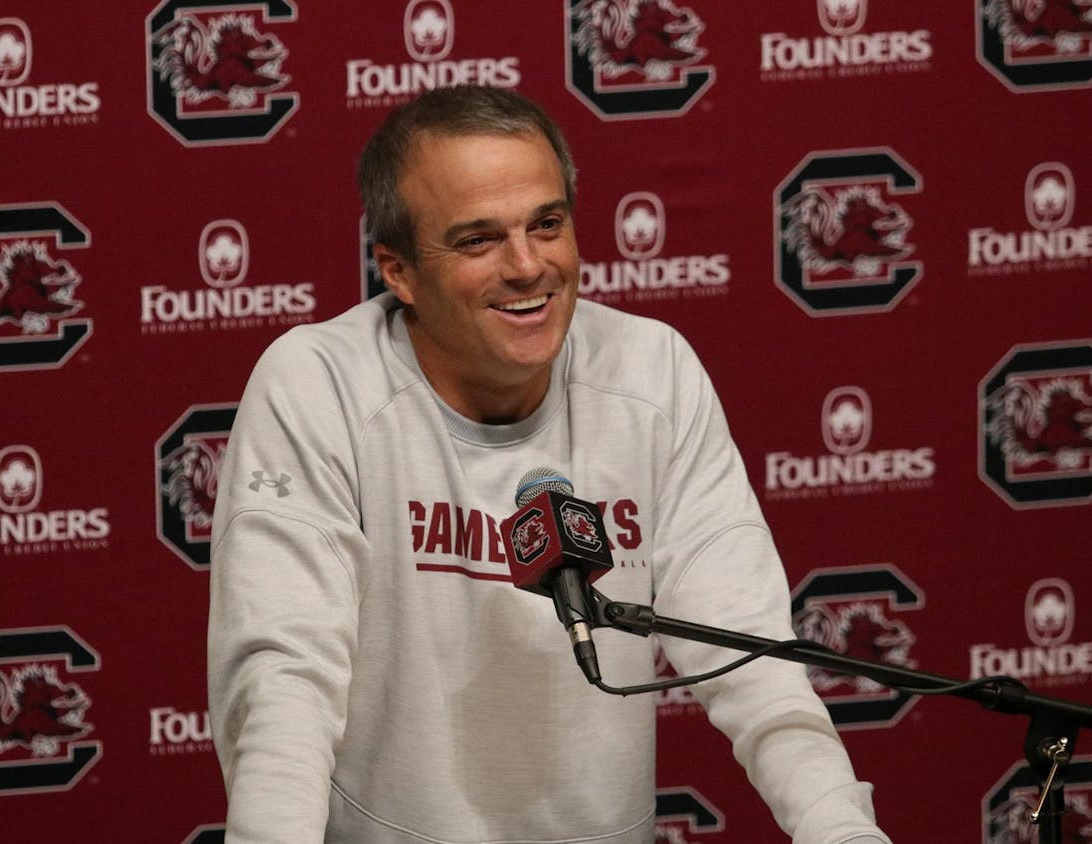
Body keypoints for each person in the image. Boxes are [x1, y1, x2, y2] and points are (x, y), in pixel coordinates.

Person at [207, 85, 891, 844]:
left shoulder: (651, 372)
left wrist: (843, 830)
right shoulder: (320, 385)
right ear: (398, 272)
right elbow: (284, 683)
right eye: (478, 240)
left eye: (547, 224)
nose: (528, 266)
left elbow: (753, 656)